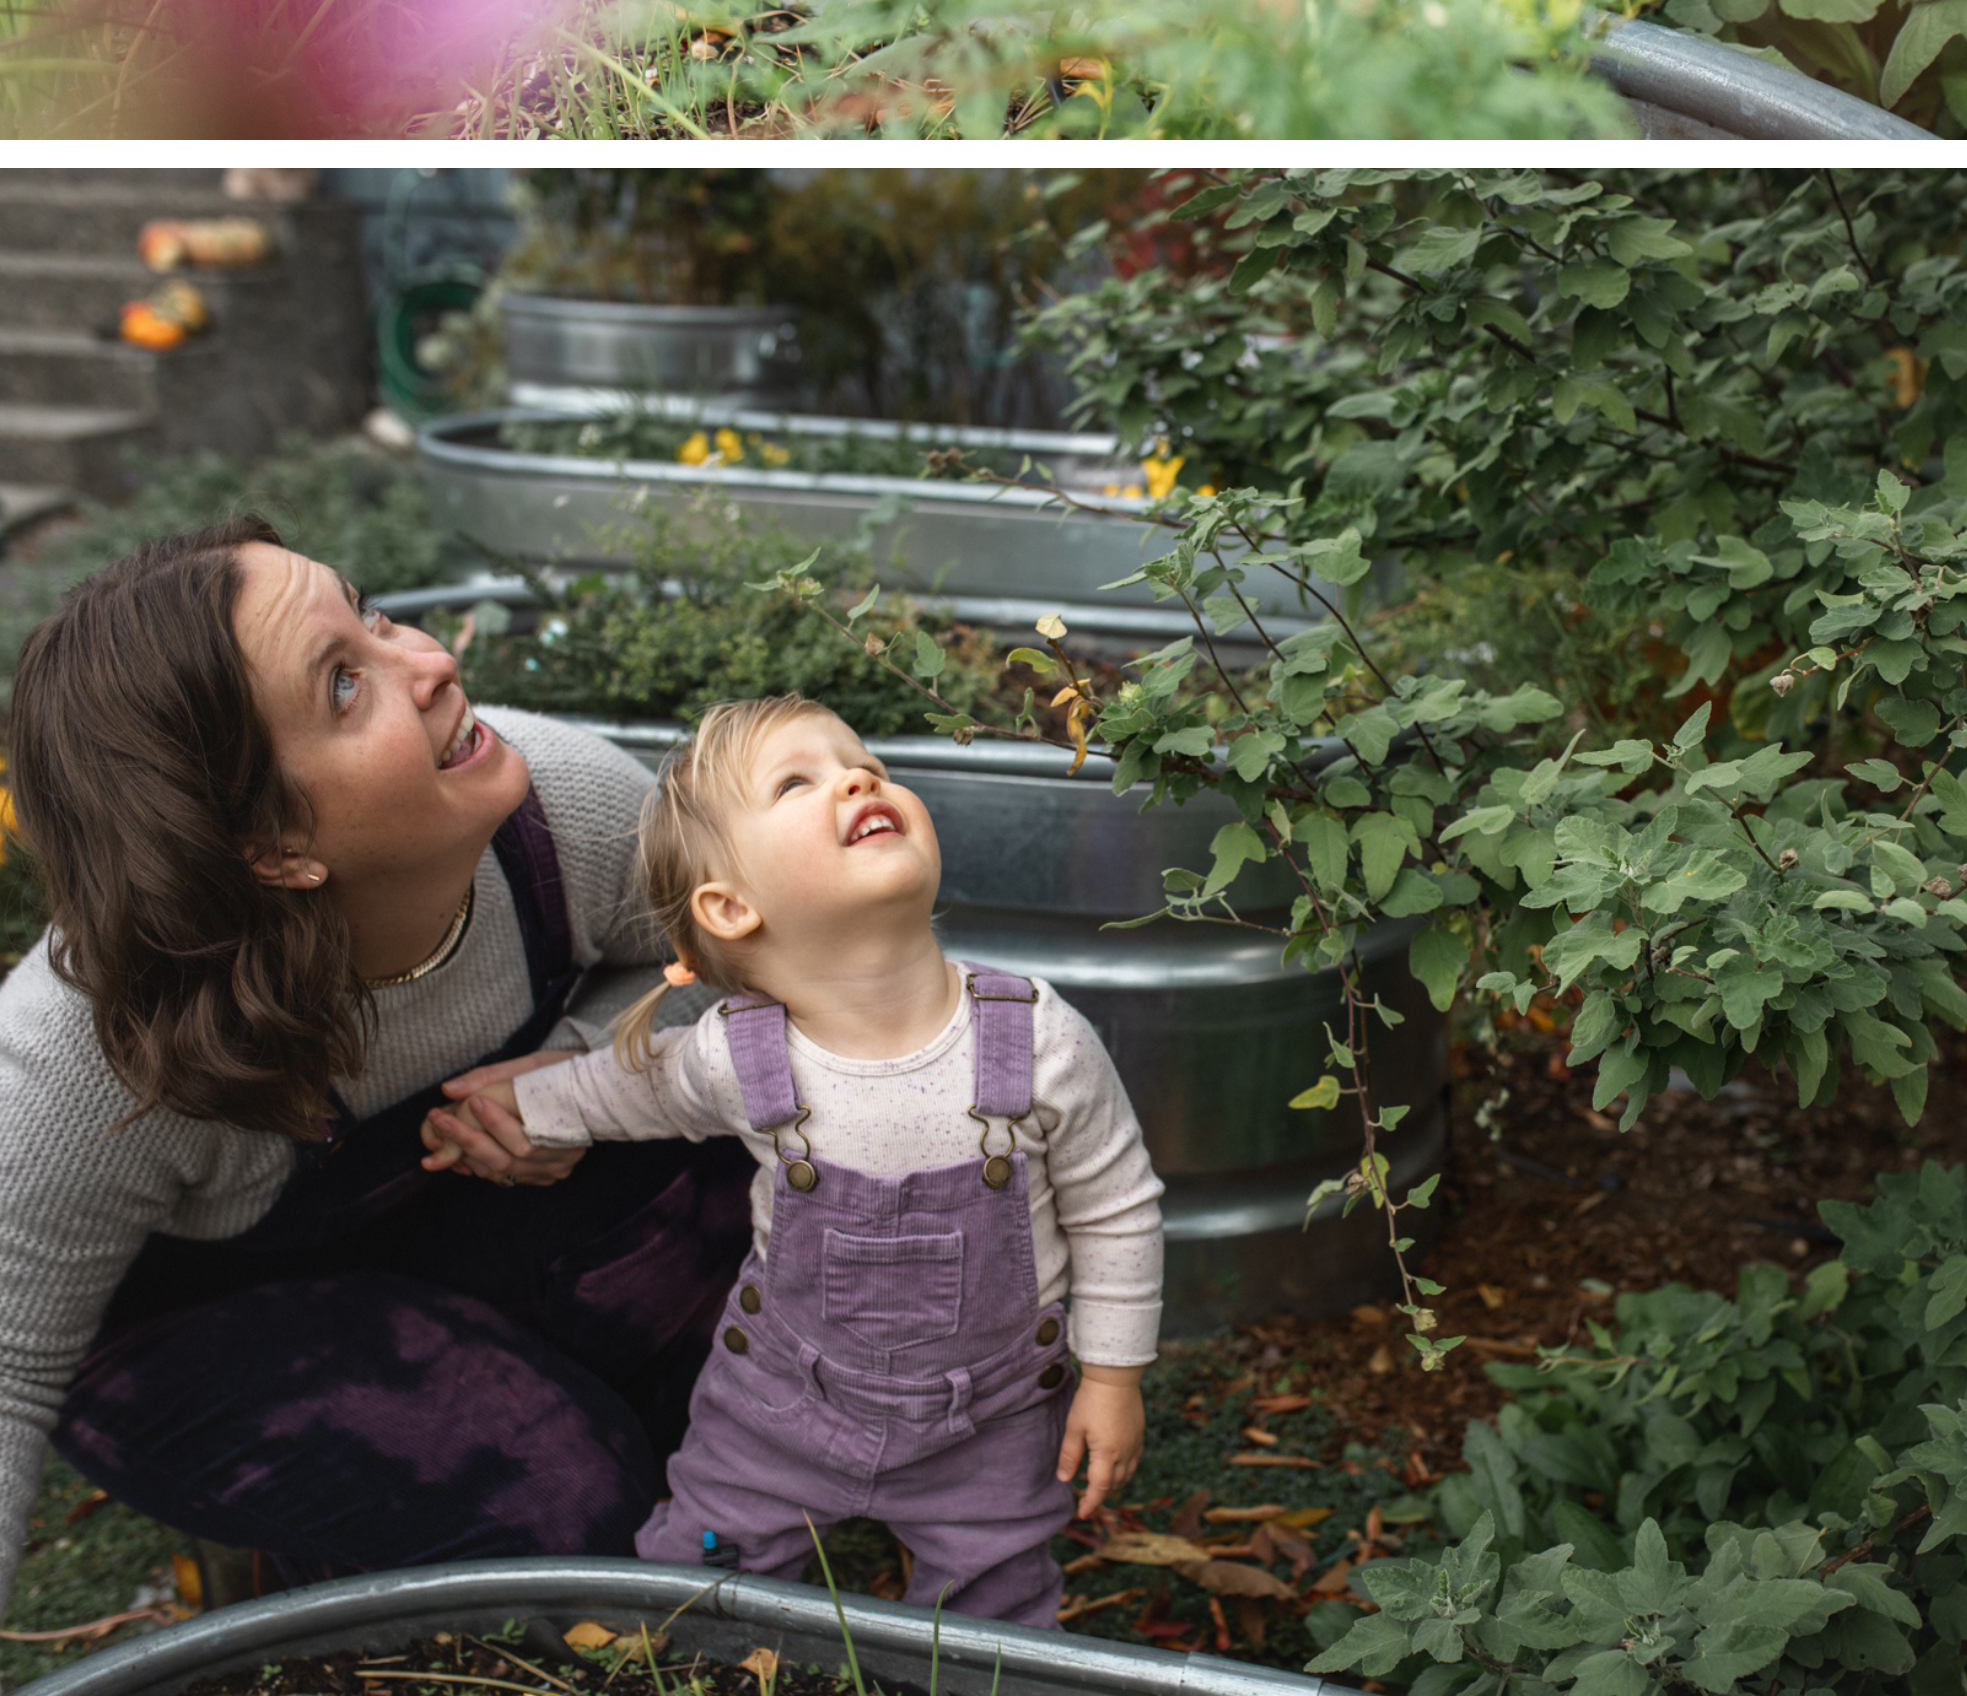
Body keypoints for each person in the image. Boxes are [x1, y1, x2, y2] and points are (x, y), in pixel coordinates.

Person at [0, 521, 752, 1602]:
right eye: (346, 685)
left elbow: (753, 960)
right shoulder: (86, 1049)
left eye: (375, 614)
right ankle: (310, 1560)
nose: (433, 662)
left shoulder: (563, 809)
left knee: (764, 1164)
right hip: (200, 1333)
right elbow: (9, 1368)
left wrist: (587, 1070)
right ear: (270, 849)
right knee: (569, 1508)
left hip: (447, 1227)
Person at [441, 696, 1163, 1623]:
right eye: (797, 781)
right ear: (730, 907)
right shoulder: (737, 1055)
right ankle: (682, 1689)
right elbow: (626, 1091)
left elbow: (1117, 1210)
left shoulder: (1036, 1043)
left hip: (988, 1419)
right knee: (706, 1561)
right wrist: (518, 1105)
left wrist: (1111, 1378)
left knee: (998, 1600)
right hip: (783, 1405)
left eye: (864, 763)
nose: (859, 779)